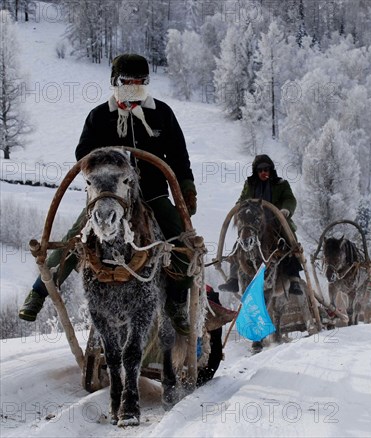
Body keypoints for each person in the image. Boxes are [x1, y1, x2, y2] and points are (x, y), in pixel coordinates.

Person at [18, 54, 197, 335]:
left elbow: (178, 156)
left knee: (182, 240)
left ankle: (176, 303)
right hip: (111, 195)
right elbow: (83, 155)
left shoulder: (161, 113)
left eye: (140, 82)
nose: (134, 87)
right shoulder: (100, 116)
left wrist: (186, 188)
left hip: (151, 194)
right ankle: (39, 292)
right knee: (76, 237)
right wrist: (110, 162)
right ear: (115, 82)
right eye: (128, 82)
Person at [219, 154, 303, 296]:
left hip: (276, 222)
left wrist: (285, 210)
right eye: (260, 170)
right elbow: (242, 199)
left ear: (271, 170)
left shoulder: (281, 184)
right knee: (239, 243)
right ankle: (233, 280)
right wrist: (238, 207)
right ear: (255, 171)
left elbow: (290, 199)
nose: (263, 172)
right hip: (255, 223)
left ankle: (294, 279)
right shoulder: (250, 184)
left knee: (289, 245)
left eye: (266, 169)